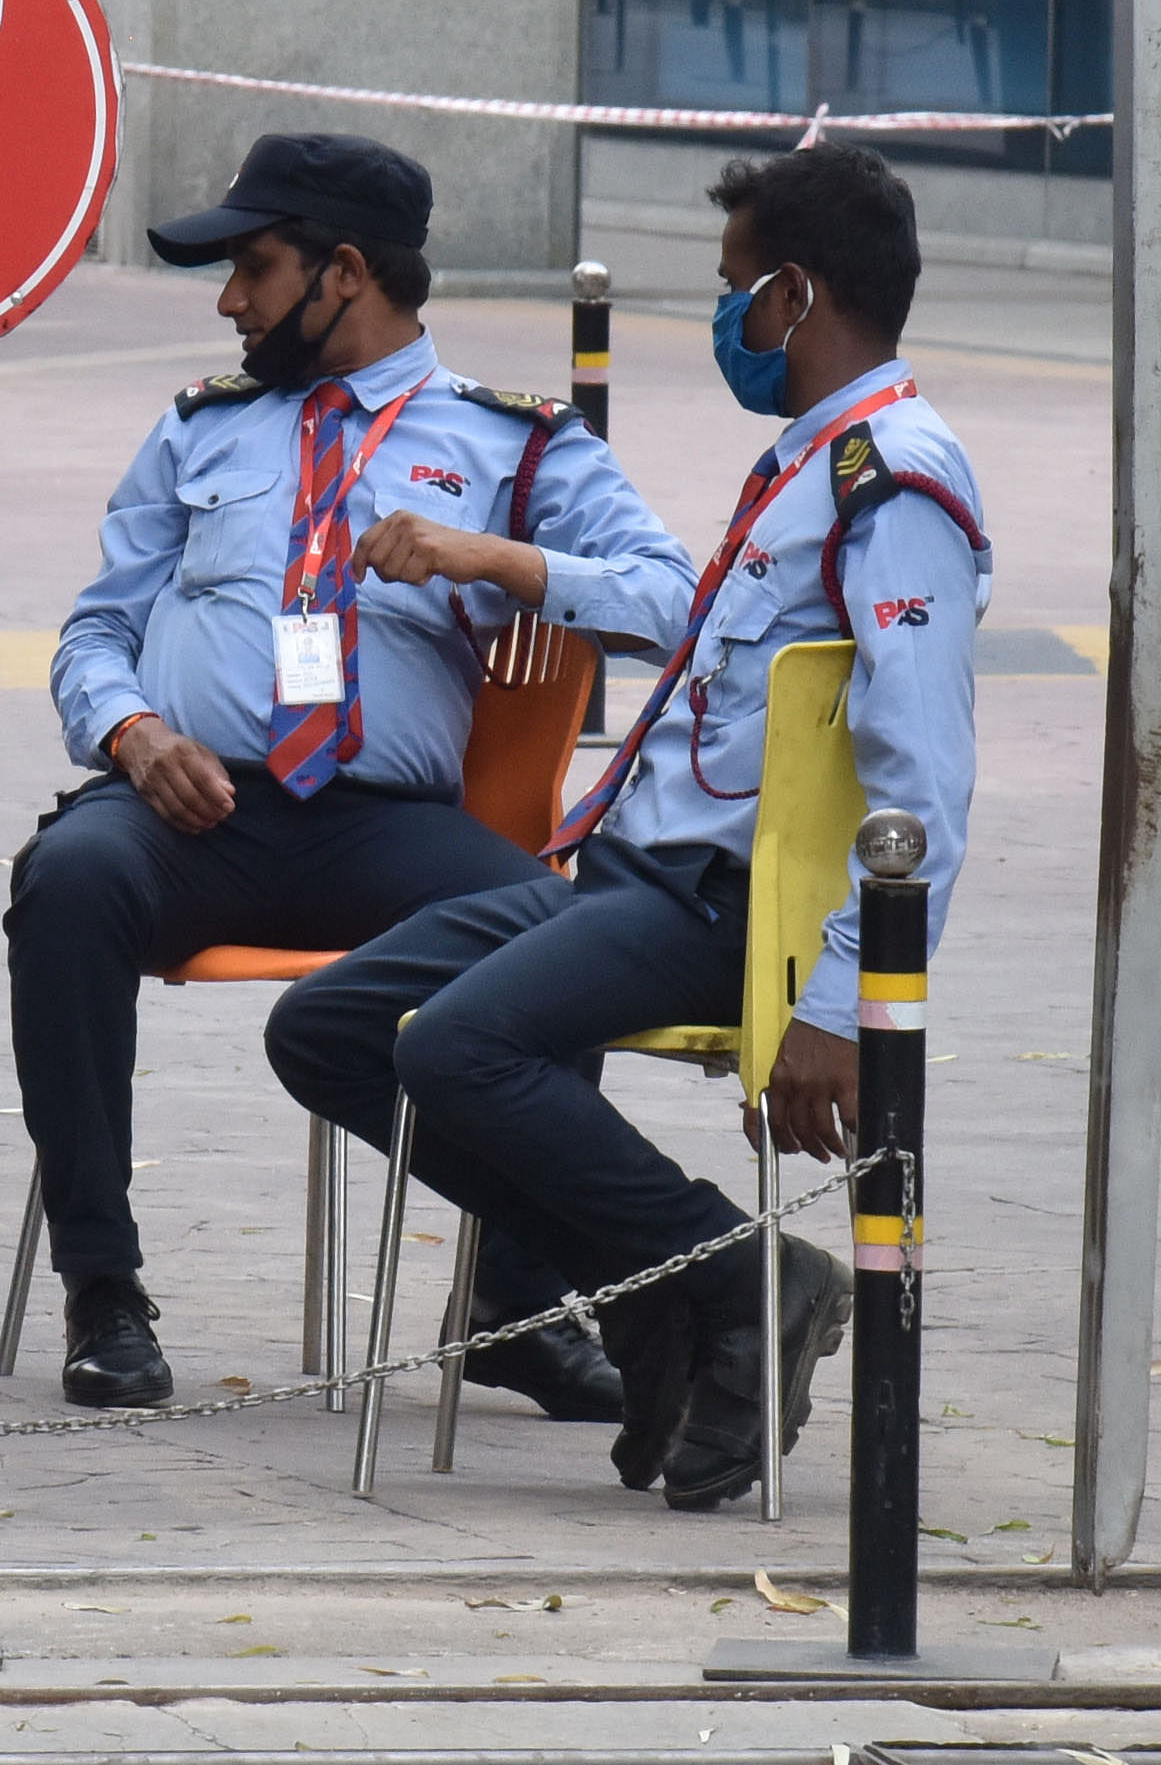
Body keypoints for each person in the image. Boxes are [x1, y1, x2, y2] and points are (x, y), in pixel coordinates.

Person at [260, 141, 988, 1511]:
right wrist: (500, 559)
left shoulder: (893, 484)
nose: (727, 323)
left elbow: (926, 777)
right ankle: (661, 1290)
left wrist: (843, 998)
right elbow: (691, 621)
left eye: (736, 291)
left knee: (462, 1048)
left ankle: (737, 1278)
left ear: (796, 295)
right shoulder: (810, 462)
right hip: (628, 878)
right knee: (330, 1031)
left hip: (716, 909)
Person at [13, 132, 698, 1413]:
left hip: (383, 827)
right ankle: (103, 1292)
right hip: (189, 810)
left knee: (566, 932)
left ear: (344, 270)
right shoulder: (199, 430)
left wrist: (492, 560)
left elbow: (677, 601)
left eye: (252, 268)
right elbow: (92, 627)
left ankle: (516, 1296)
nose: (228, 301)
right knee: (65, 880)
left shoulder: (512, 443)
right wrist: (129, 735)